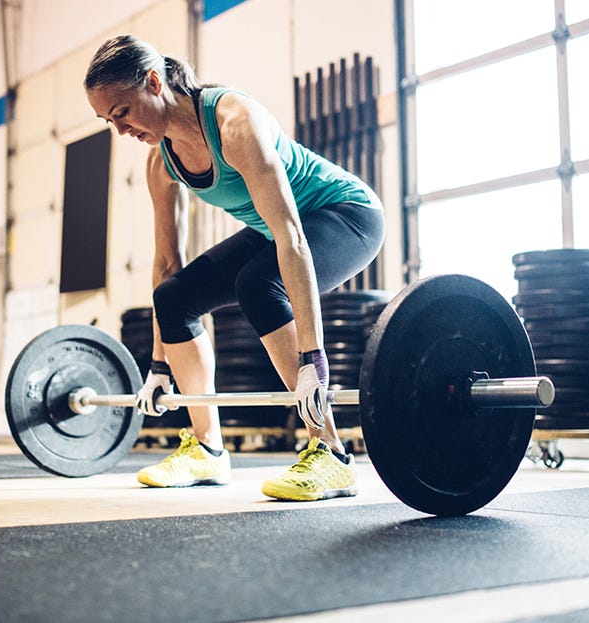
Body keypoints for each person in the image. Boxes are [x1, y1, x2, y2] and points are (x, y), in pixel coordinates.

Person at [84, 35, 385, 501]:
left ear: (153, 81)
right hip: (278, 230)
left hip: (345, 213)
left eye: (122, 112)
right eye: (108, 120)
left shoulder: (234, 123)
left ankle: (331, 453)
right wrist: (159, 364)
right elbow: (167, 262)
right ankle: (207, 449)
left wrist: (313, 361)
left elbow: (292, 237)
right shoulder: (160, 162)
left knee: (259, 284)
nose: (119, 130)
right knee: (173, 297)